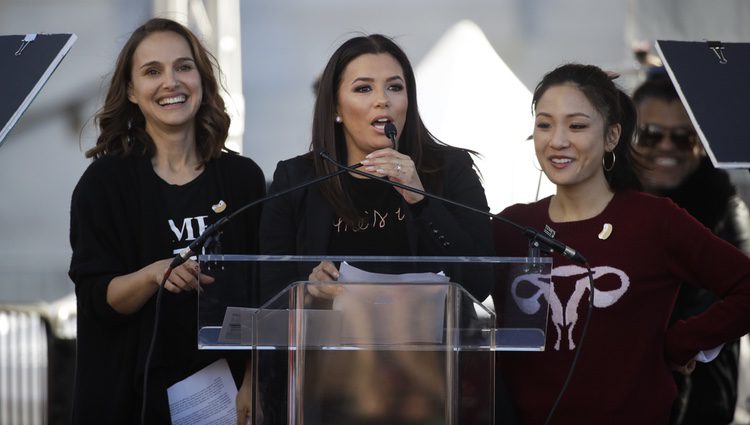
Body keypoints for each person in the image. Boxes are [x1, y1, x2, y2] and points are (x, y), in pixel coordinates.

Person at [236, 34, 497, 424]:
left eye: (395, 87)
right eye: (364, 88)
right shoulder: (297, 179)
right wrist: (308, 290)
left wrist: (421, 200)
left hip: (429, 388)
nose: (383, 100)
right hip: (325, 389)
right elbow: (269, 295)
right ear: (336, 108)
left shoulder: (447, 171)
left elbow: (480, 279)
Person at [491, 63, 750, 425]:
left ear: (612, 136)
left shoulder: (653, 220)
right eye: (545, 124)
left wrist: (681, 342)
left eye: (577, 125)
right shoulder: (511, 225)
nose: (557, 140)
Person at [68, 18, 265, 424]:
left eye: (183, 67)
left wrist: (255, 379)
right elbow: (94, 296)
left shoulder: (242, 178)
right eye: (152, 71)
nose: (171, 82)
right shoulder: (104, 184)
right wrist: (152, 275)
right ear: (131, 91)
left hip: (228, 403)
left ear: (202, 79)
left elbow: (267, 294)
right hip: (133, 402)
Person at [632, 72, 750, 425]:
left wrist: (676, 344)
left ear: (702, 142)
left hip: (699, 404)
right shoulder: (607, 205)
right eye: (650, 134)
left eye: (683, 137)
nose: (666, 146)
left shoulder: (725, 210)